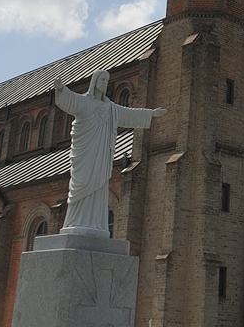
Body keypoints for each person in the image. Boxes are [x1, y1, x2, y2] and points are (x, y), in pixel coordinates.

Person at [54, 70, 166, 235]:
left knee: (99, 188)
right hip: (86, 154)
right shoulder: (84, 102)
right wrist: (61, 89)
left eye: (107, 80)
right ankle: (76, 222)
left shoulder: (110, 108)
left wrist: (151, 114)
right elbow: (70, 100)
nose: (104, 83)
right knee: (82, 184)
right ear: (94, 81)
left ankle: (96, 224)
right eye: (102, 79)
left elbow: (129, 114)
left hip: (102, 156)